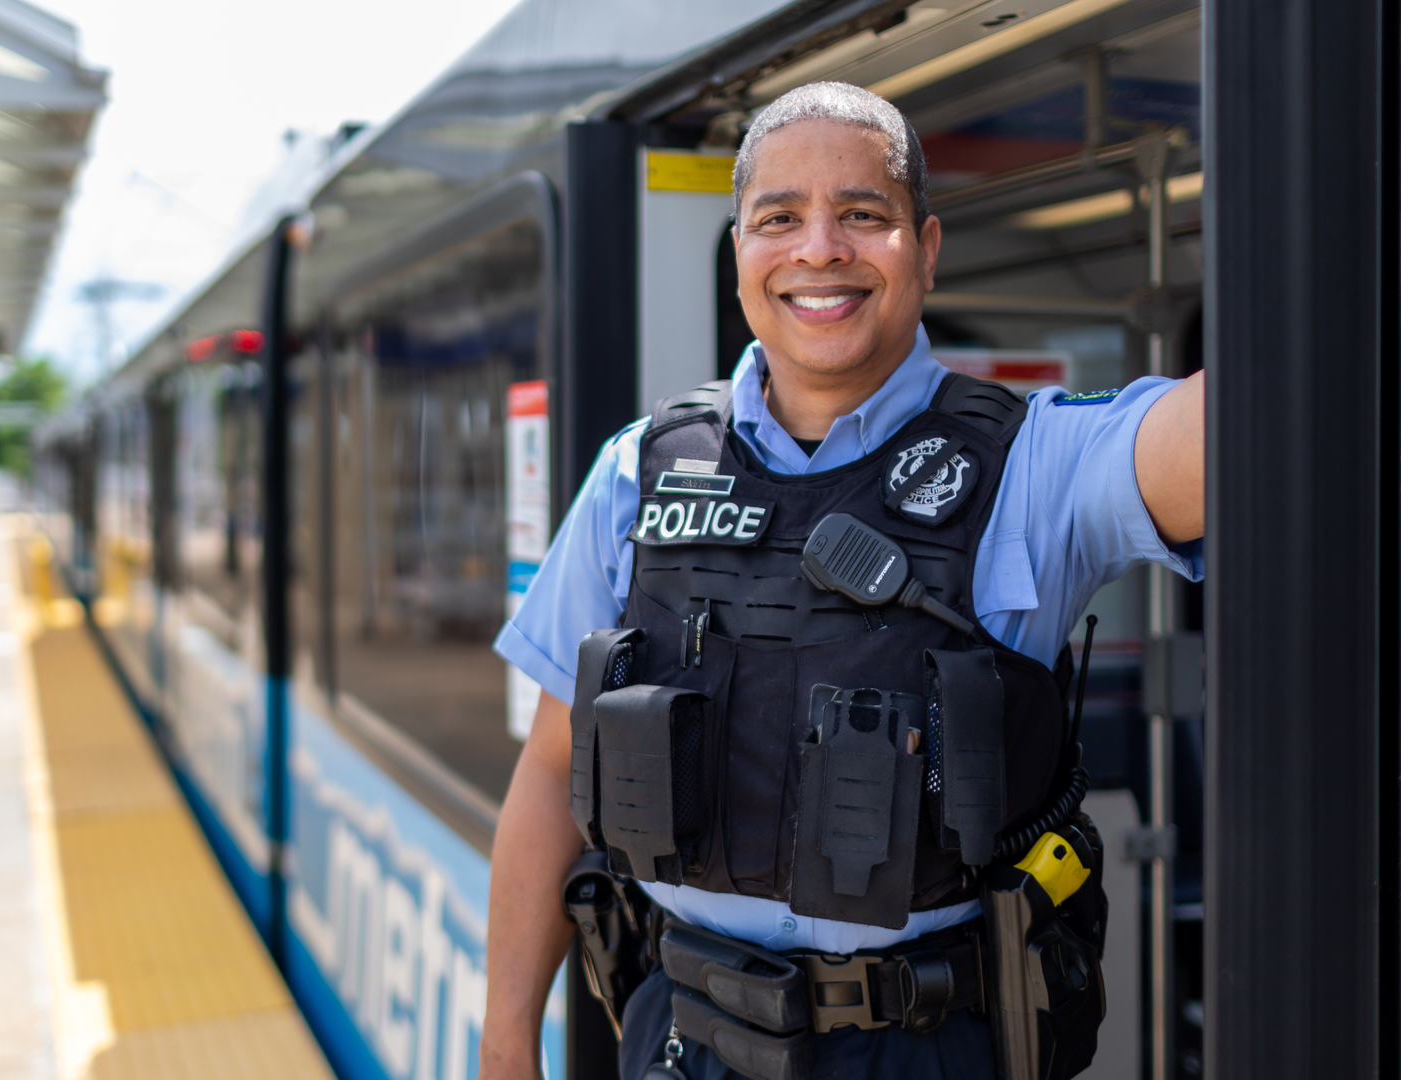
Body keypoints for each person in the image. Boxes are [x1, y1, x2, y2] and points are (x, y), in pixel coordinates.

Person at [480, 81, 1204, 1080]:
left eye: (863, 214)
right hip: (683, 1039)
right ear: (740, 248)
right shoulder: (639, 470)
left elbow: (1218, 435)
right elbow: (552, 772)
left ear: (927, 248)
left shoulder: (1036, 463)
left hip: (926, 1050)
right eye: (779, 218)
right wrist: (505, 1046)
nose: (819, 249)